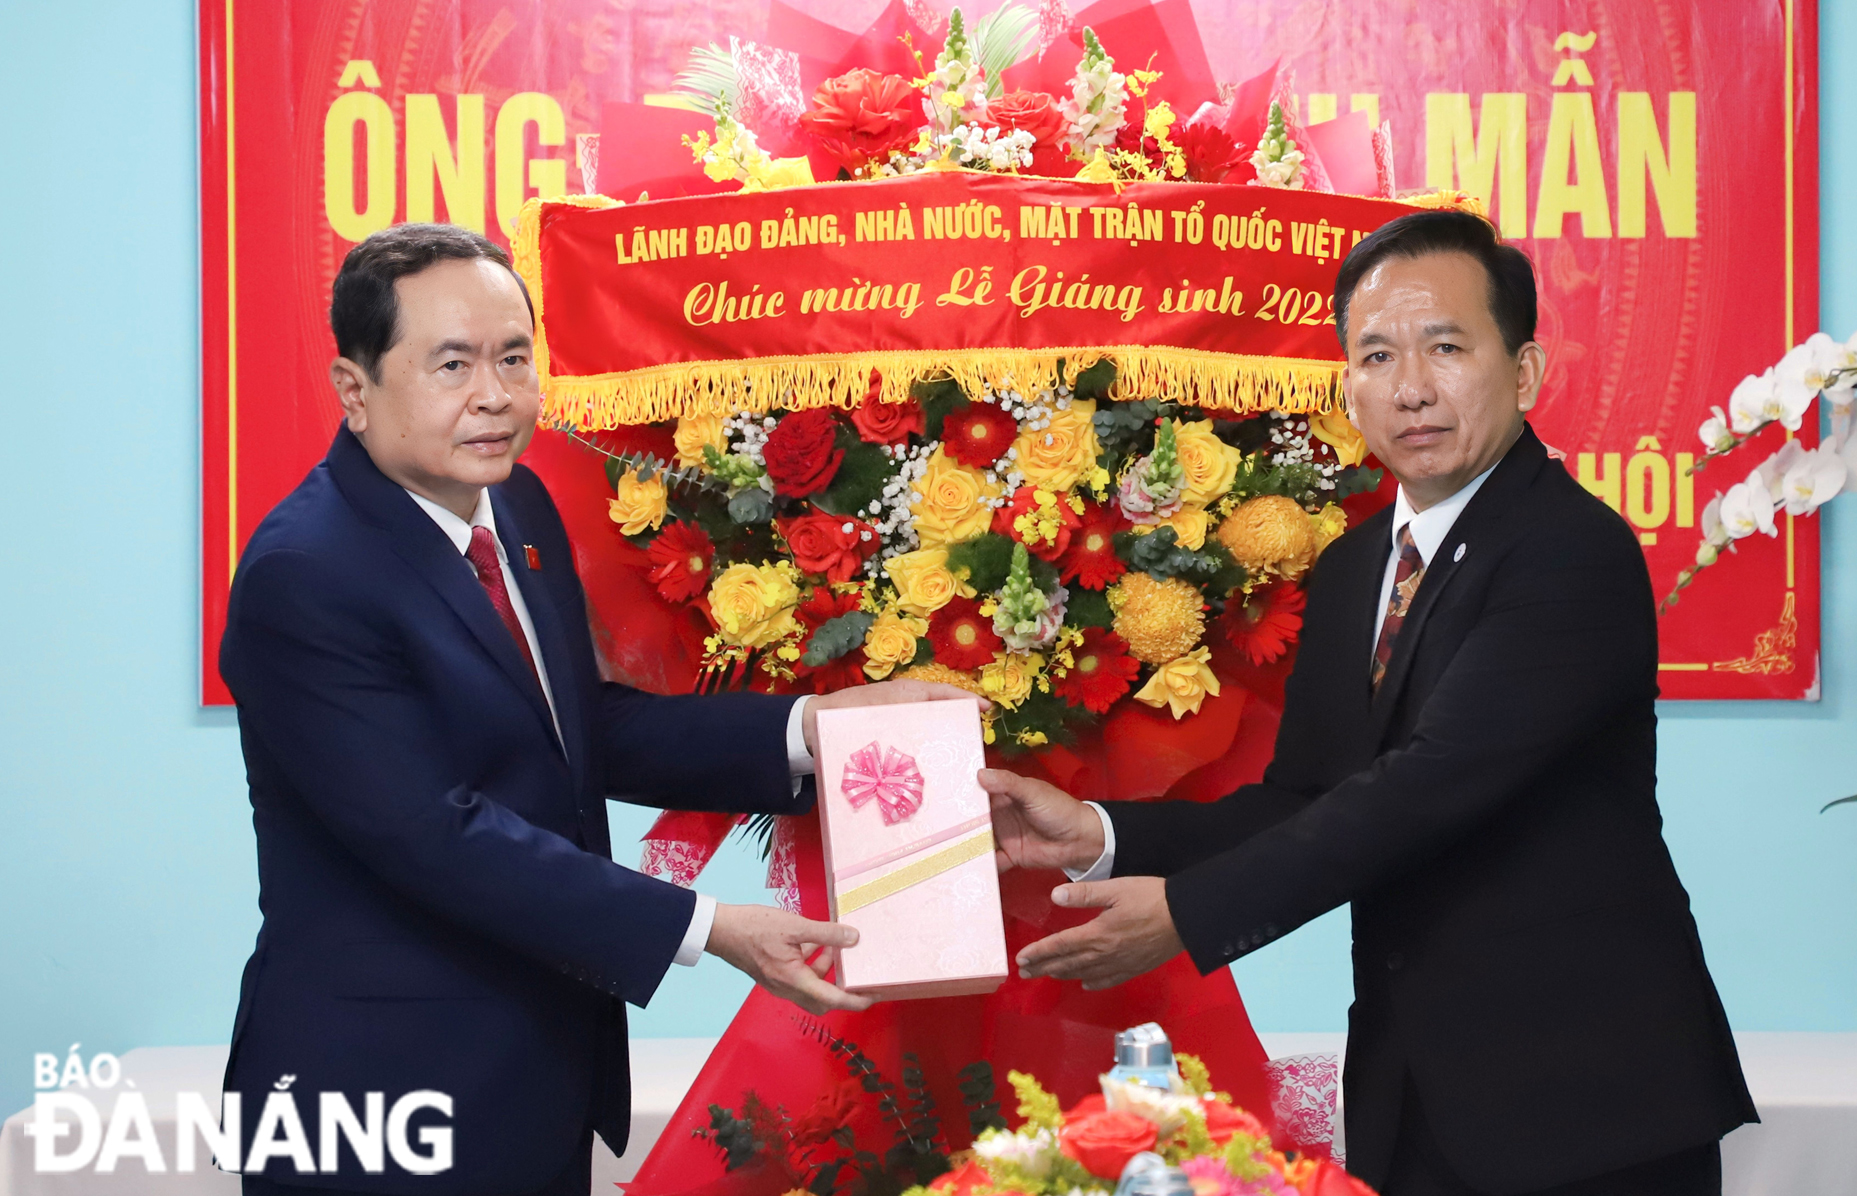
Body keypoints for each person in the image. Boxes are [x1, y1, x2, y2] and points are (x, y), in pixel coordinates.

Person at [979, 209, 1757, 1195]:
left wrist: (1187, 912)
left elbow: (1423, 785)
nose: (1410, 386)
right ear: (1346, 382)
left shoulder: (1569, 549)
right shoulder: (1355, 567)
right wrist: (1097, 831)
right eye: (1376, 354)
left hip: (1587, 1102)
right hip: (1415, 1094)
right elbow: (1306, 793)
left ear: (1523, 372)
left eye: (1445, 347)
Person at [218, 223, 969, 1195]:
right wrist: (707, 924)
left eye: (513, 358)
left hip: (531, 1074)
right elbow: (433, 832)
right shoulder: (306, 572)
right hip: (379, 1093)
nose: (493, 394)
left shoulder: (516, 506)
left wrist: (807, 727)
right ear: (354, 389)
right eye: (452, 363)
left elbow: (582, 729)